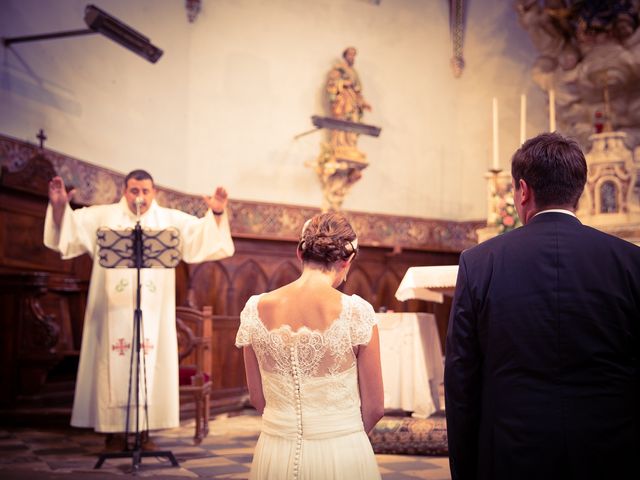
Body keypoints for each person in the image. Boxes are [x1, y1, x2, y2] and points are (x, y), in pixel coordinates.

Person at [444, 132, 640, 480]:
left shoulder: (479, 262)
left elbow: (462, 380)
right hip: (610, 448)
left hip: (511, 448)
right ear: (579, 190)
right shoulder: (629, 261)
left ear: (522, 190)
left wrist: (465, 468)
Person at [44, 170, 235, 449]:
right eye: (134, 190)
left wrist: (216, 213)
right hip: (110, 310)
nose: (140, 197)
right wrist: (60, 207)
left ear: (153, 192)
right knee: (110, 365)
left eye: (145, 191)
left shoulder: (169, 220)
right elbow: (68, 232)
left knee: (151, 364)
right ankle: (113, 433)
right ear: (125, 191)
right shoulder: (103, 216)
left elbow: (202, 238)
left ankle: (144, 433)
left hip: (153, 314)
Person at [235, 212, 384, 479]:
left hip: (275, 448)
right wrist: (340, 433)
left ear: (300, 253)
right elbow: (374, 408)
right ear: (347, 260)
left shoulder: (255, 308)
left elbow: (258, 398)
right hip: (342, 450)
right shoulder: (357, 312)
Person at [326, 46, 372, 149]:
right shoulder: (339, 68)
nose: (352, 57)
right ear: (345, 55)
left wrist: (363, 103)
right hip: (343, 100)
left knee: (353, 121)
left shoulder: (354, 72)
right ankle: (340, 145)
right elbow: (332, 84)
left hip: (353, 101)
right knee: (342, 120)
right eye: (350, 54)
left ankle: (351, 146)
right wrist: (344, 83)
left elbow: (357, 91)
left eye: (354, 55)